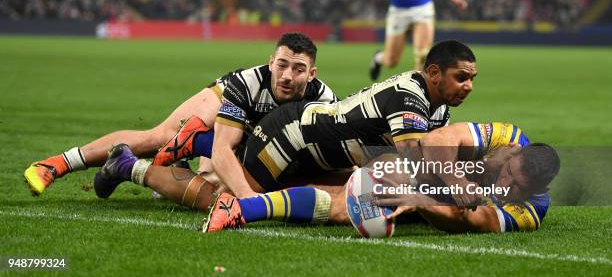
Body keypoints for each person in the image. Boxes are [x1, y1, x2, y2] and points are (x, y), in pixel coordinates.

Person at [92, 40, 477, 219]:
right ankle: (130, 166)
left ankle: (197, 143)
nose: (469, 87)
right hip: (289, 136)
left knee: (343, 192)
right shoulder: (409, 96)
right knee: (232, 200)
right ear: (433, 74)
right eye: (461, 78)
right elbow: (413, 162)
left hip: (316, 147)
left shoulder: (435, 110)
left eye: (472, 79)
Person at [24, 32, 337, 195]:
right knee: (159, 136)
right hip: (226, 109)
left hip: (256, 138)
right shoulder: (246, 83)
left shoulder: (323, 100)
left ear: (311, 74)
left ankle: (133, 166)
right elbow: (224, 146)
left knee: (220, 181)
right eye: (281, 65)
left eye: (298, 69)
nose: (286, 76)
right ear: (270, 62)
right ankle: (54, 165)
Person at [205, 122, 560, 234]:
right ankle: (238, 195)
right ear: (513, 155)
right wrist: (454, 183)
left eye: (517, 188)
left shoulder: (532, 211)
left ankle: (241, 204)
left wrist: (420, 201)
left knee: (347, 201)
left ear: (539, 191)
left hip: (433, 199)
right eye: (509, 175)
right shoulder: (507, 137)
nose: (505, 188)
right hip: (423, 164)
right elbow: (436, 140)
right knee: (350, 200)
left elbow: (473, 220)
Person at [368, 0, 468, 80]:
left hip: (423, 8)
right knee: (391, 61)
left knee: (423, 55)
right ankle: (378, 58)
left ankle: (417, 90)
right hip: (398, 11)